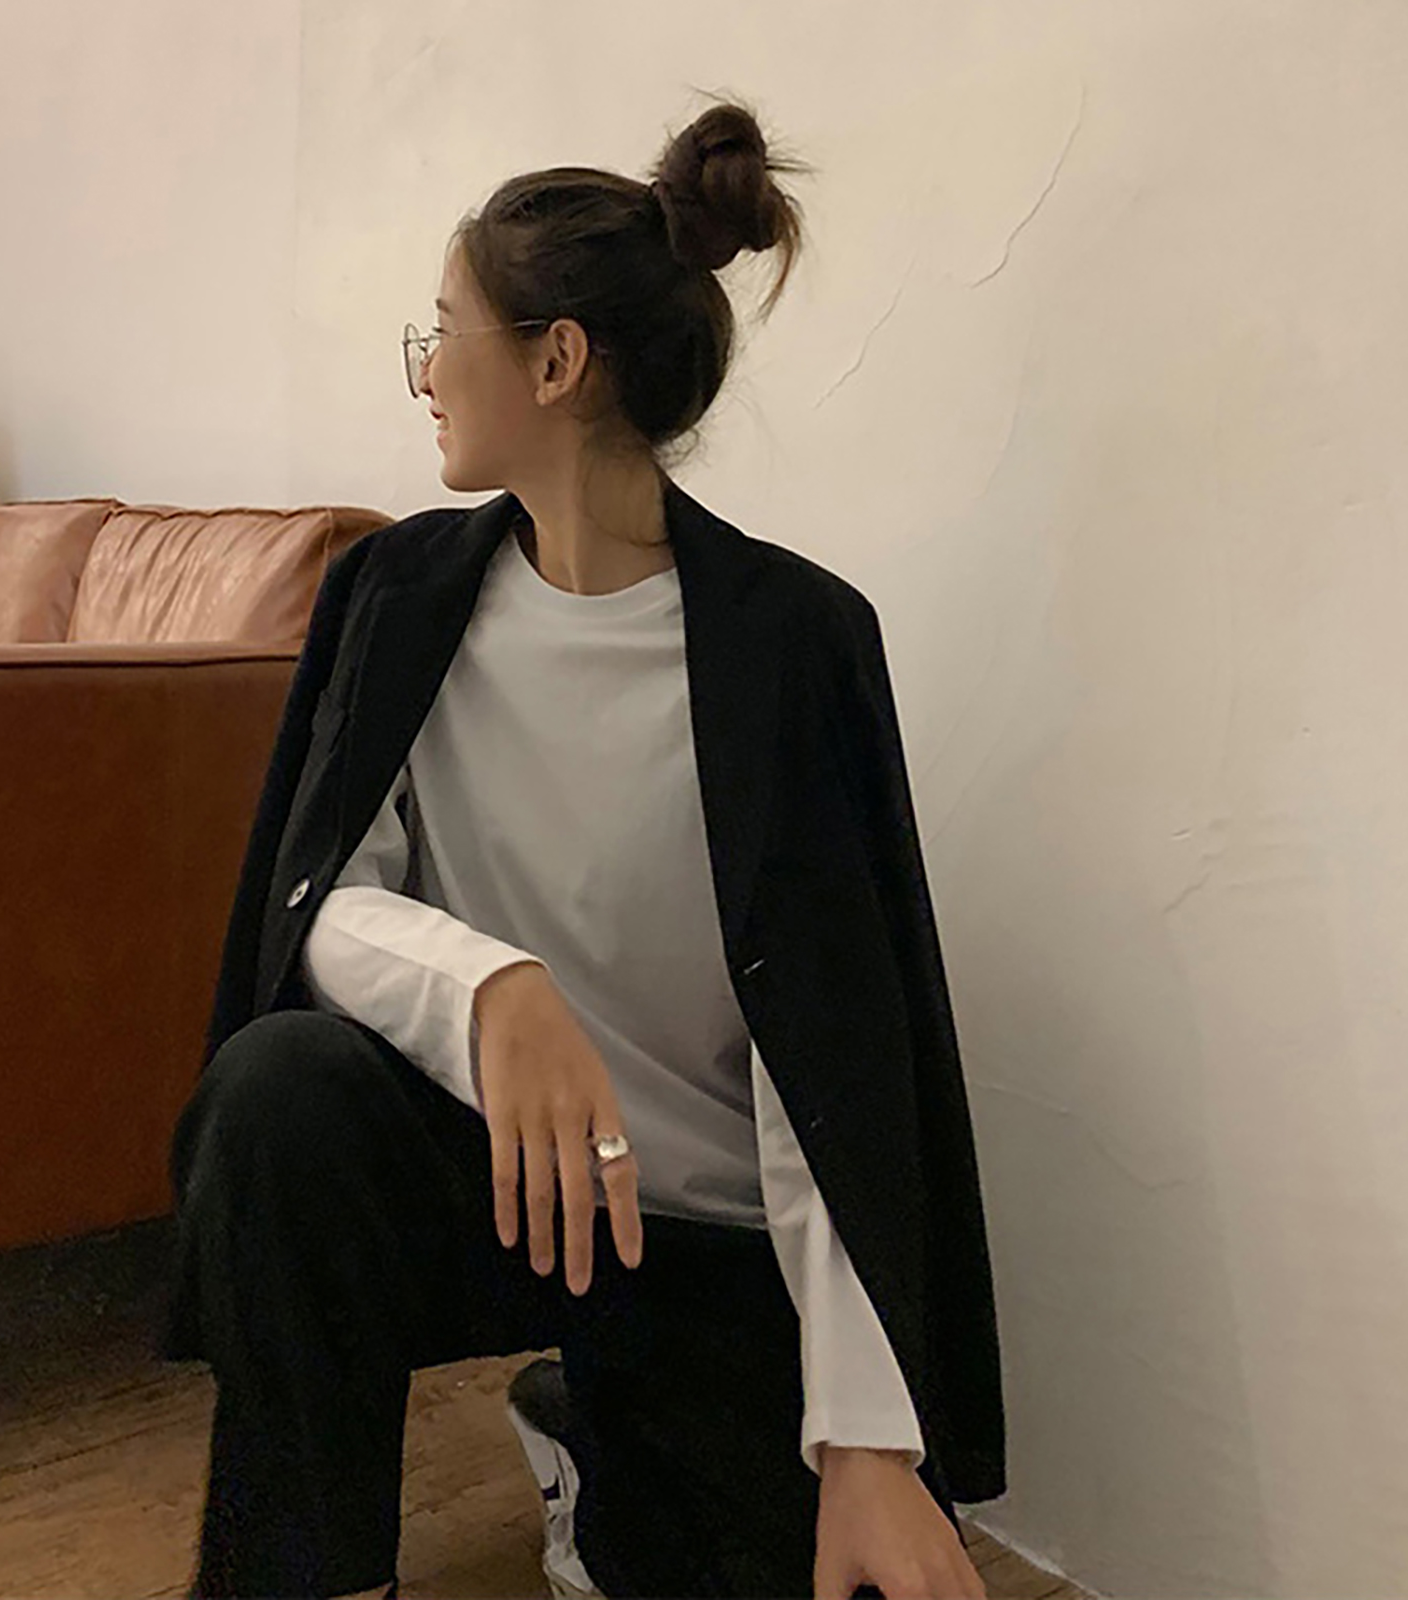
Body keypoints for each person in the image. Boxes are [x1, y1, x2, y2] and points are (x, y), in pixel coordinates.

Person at [159, 99, 1003, 1599]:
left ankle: (581, 1426)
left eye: (444, 334)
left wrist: (869, 1441)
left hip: (711, 1237)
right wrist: (490, 987)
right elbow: (323, 905)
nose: (427, 375)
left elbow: (837, 1055)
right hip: (491, 1190)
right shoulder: (395, 597)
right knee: (279, 1097)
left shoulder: (790, 643)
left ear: (555, 362)